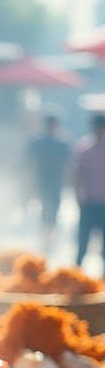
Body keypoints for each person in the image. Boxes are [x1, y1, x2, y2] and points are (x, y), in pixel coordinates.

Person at [27, 114, 70, 249]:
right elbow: (30, 163)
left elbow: (68, 164)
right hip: (44, 181)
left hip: (55, 182)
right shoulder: (39, 143)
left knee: (53, 209)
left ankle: (49, 237)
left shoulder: (61, 143)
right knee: (46, 209)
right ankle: (45, 237)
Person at [73, 113, 105, 270]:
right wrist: (77, 197)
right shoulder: (84, 148)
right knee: (82, 243)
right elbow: (77, 175)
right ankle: (77, 275)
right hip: (89, 203)